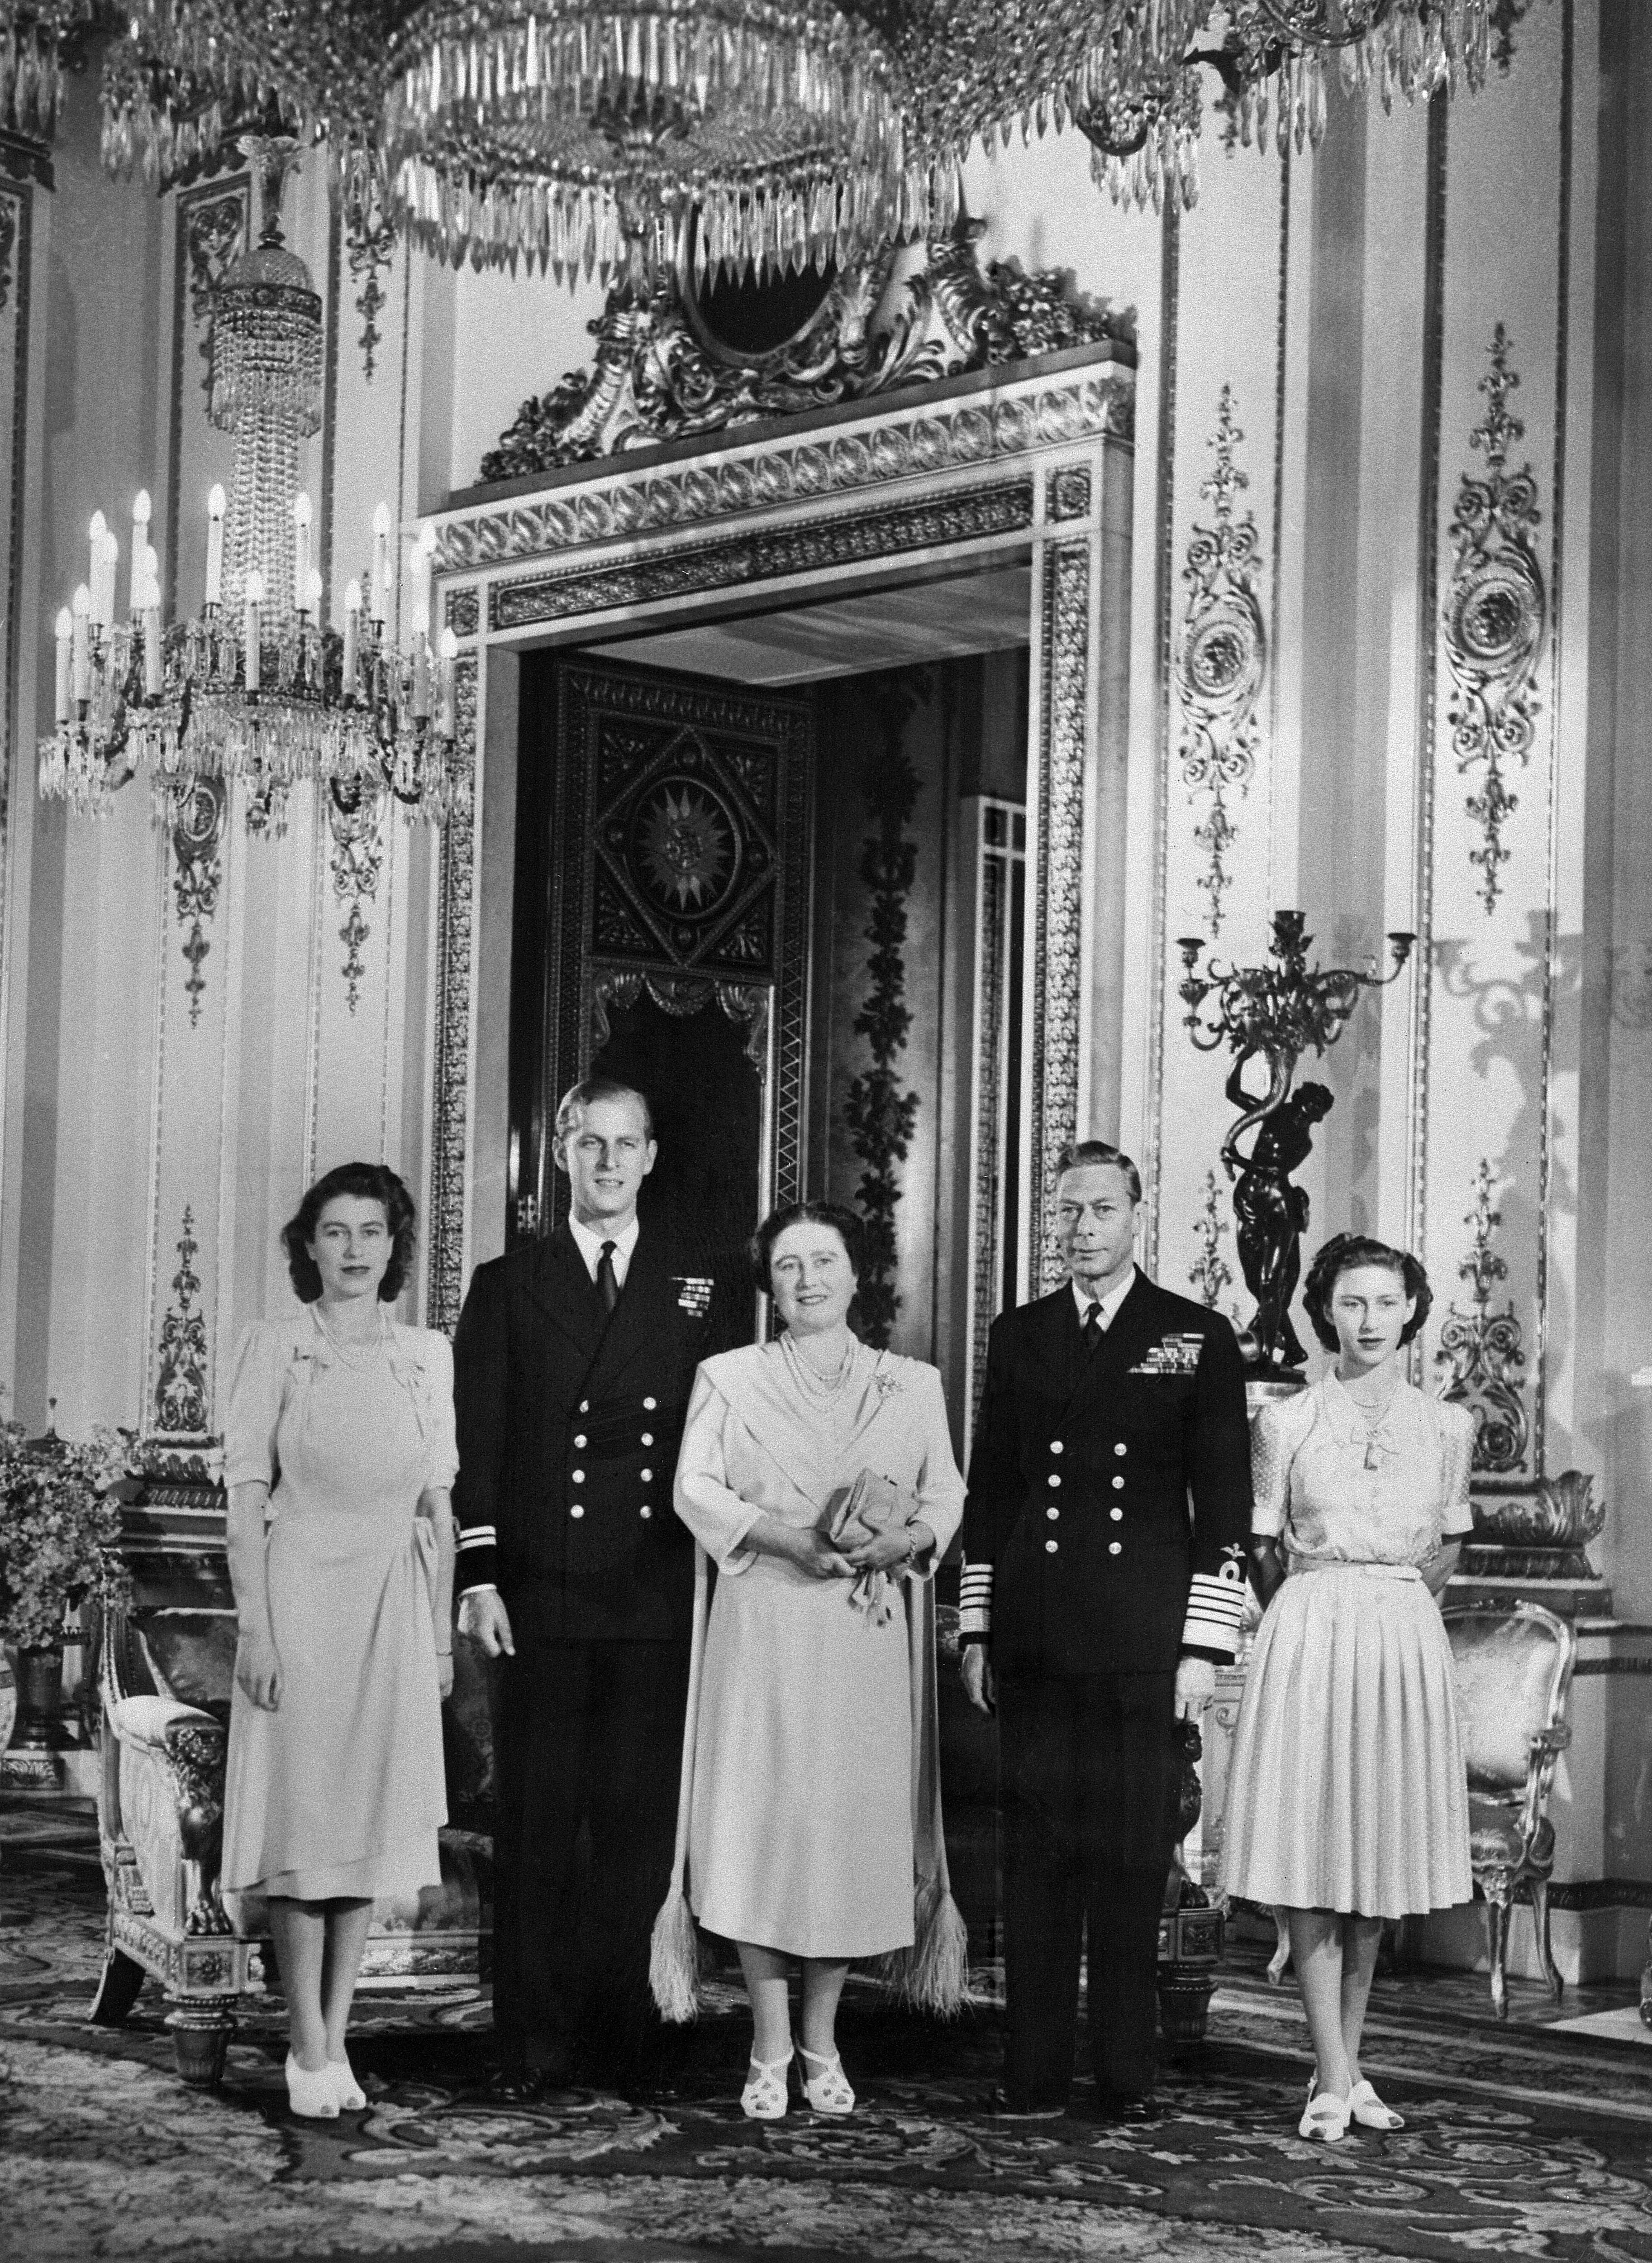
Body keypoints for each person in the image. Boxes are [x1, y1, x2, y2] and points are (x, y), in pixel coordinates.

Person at [959, 1139, 1252, 2123]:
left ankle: (1126, 2074)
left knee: (1130, 1864)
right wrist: (976, 1629)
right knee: (1035, 1863)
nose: (1081, 1228)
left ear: (1136, 1214)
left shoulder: (1193, 1333)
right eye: (1068, 1212)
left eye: (1099, 1209)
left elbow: (1223, 1504)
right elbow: (991, 1488)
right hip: (1036, 1636)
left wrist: (1200, 1650)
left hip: (1141, 1641)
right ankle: (1033, 2072)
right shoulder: (1019, 1332)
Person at [657, 1200, 967, 2120]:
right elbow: (694, 1487)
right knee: (764, 1826)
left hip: (863, 1629)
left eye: (823, 1261)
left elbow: (945, 1490)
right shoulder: (728, 1375)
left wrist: (902, 1537)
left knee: (841, 1834)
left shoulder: (909, 1384)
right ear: (768, 1283)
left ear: (853, 1273)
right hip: (763, 1626)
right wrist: (785, 1536)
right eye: (788, 1266)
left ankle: (822, 2037)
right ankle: (764, 2041)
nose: (807, 1280)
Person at [453, 1076, 714, 2096]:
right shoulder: (509, 1282)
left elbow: (721, 1440)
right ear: (559, 1153)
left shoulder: (702, 1283)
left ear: (651, 1156)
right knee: (539, 1829)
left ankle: (626, 2037)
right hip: (543, 1594)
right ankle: (530, 2040)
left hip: (652, 1595)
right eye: (589, 1144)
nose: (608, 1163)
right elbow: (480, 1446)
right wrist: (480, 1577)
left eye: (626, 1144)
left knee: (637, 1830)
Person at [1220, 1232, 1475, 2143]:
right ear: (1324, 1308)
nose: (1368, 1320)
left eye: (1385, 1301)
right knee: (1310, 1844)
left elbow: (1445, 1550)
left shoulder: (1448, 1428)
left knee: (1373, 1858)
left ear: (1411, 1309)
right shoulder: (1283, 1423)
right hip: (1310, 1629)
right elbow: (1258, 1544)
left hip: (1401, 1635)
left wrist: (1389, 1610)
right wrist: (1315, 1610)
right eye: (1351, 1302)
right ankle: (1331, 2071)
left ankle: (1347, 2066)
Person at [222, 1162, 456, 2121]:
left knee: (362, 1830)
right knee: (304, 1826)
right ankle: (304, 2044)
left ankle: (339, 2029)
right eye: (334, 1232)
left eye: (370, 1231)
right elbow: (243, 1497)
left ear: (395, 1244)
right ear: (306, 1245)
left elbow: (440, 1504)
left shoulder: (428, 1354)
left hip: (391, 1603)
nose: (353, 1250)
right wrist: (255, 1630)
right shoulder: (275, 1345)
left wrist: (439, 1639)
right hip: (299, 1595)